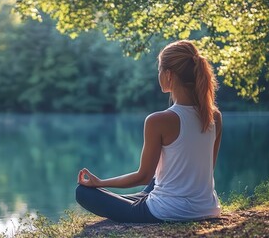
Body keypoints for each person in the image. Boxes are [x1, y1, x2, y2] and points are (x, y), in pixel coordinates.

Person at [75, 40, 222, 223]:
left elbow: (142, 176)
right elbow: (206, 169)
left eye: (159, 69)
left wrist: (100, 183)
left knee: (83, 193)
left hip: (168, 211)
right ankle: (142, 198)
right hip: (207, 207)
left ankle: (137, 199)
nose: (158, 74)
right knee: (156, 179)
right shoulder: (214, 116)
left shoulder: (158, 120)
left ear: (169, 75)